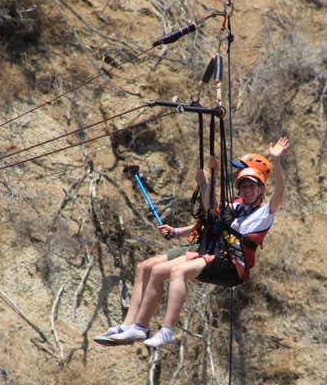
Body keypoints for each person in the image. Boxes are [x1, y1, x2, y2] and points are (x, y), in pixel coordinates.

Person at [102, 136, 290, 348]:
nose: (247, 190)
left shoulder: (265, 213)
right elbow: (210, 214)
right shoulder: (234, 207)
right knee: (156, 271)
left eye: (252, 187)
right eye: (243, 186)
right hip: (216, 256)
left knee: (178, 272)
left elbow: (280, 192)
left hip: (233, 267)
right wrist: (209, 181)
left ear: (261, 190)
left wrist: (277, 160)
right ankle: (139, 327)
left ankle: (167, 330)